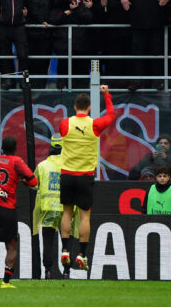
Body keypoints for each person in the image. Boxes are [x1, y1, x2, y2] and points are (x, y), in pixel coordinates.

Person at [57, 85, 115, 272]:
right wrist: (106, 94)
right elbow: (111, 116)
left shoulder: (65, 124)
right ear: (89, 107)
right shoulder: (94, 125)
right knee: (84, 217)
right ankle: (82, 255)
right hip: (85, 176)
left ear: (74, 107)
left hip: (66, 174)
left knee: (67, 212)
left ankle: (65, 249)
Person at [0, 135, 37, 288]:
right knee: (11, 246)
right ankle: (5, 282)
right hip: (5, 207)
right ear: (15, 148)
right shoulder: (17, 161)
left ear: (2, 147)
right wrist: (23, 181)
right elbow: (33, 181)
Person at [32, 138, 77, 279]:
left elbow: (33, 184)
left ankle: (48, 271)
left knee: (48, 242)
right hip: (67, 209)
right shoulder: (72, 165)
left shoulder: (42, 165)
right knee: (67, 241)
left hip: (48, 208)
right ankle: (66, 272)